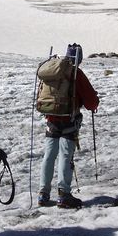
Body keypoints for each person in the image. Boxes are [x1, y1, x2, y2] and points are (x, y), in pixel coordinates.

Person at [37, 43, 99, 208]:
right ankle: (64, 194)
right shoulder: (76, 74)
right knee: (65, 155)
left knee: (49, 155)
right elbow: (91, 101)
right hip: (69, 121)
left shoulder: (53, 72)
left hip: (51, 119)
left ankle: (43, 193)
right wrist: (94, 104)